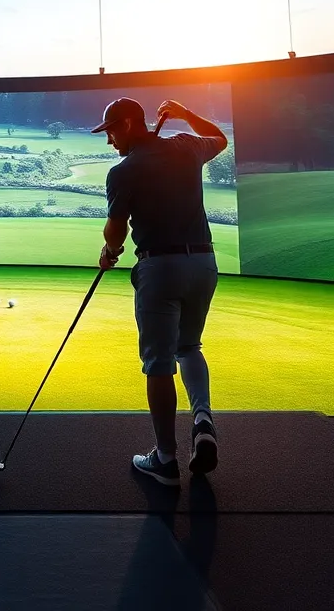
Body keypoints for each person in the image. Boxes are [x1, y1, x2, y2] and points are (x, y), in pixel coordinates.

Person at [93, 98, 228, 487]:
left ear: (132, 123)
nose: (110, 141)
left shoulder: (124, 171)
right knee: (190, 347)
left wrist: (109, 253)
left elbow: (115, 230)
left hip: (159, 266)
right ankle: (202, 420)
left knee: (158, 363)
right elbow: (218, 138)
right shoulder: (187, 146)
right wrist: (187, 113)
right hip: (203, 264)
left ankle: (165, 461)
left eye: (113, 131)